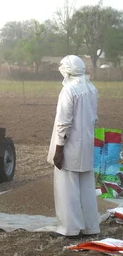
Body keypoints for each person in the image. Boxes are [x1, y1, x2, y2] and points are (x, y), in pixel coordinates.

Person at [47, 55, 99, 239]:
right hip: (86, 144)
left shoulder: (69, 90)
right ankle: (90, 226)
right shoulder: (91, 89)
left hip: (70, 146)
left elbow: (63, 122)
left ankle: (69, 228)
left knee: (67, 188)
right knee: (86, 187)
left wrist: (59, 150)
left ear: (68, 70)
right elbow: (94, 118)